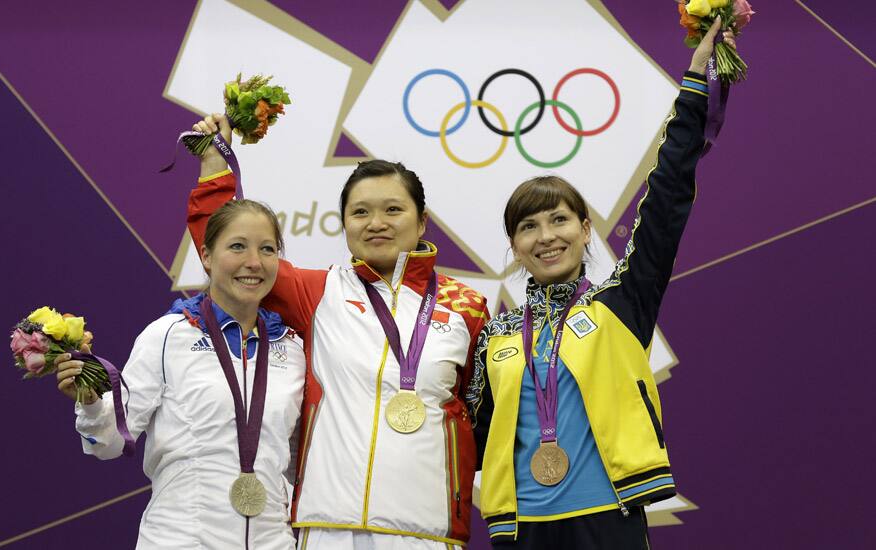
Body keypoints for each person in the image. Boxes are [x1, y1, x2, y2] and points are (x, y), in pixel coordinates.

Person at [465, 20, 736, 549]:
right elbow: (463, 437)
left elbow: (666, 200)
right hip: (520, 530)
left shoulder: (620, 303)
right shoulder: (494, 338)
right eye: (529, 226)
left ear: (585, 229)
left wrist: (697, 78)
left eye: (559, 220)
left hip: (607, 519)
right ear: (515, 246)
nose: (547, 237)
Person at [186, 125, 489, 547]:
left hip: (428, 530)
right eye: (360, 212)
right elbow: (229, 251)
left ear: (421, 221)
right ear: (344, 223)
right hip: (327, 526)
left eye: (393, 210)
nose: (376, 223)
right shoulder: (319, 292)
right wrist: (214, 168)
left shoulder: (467, 306)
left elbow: (482, 415)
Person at [55, 200, 305, 549]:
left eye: (267, 249)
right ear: (205, 256)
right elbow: (110, 444)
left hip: (272, 541)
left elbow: (296, 463)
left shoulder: (292, 349)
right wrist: (93, 403)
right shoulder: (167, 336)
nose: (254, 262)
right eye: (237, 246)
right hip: (181, 539)